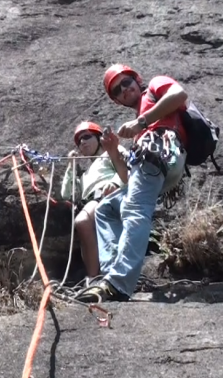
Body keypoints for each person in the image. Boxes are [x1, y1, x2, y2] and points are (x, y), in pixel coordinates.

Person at [76, 64, 188, 303]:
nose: (123, 89)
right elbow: (128, 179)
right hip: (153, 162)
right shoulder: (142, 125)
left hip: (161, 151)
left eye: (126, 82)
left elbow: (179, 95)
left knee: (134, 210)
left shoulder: (155, 88)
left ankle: (118, 283)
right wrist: (113, 150)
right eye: (117, 90)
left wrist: (141, 122)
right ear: (117, 100)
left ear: (137, 80)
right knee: (106, 209)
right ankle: (111, 273)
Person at [60, 121, 128, 280]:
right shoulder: (84, 174)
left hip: (108, 196)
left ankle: (93, 277)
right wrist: (71, 167)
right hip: (93, 201)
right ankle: (96, 277)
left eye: (86, 137)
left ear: (98, 138)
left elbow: (128, 166)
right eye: (79, 142)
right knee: (84, 224)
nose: (82, 142)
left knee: (82, 221)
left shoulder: (110, 153)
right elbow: (66, 193)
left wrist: (116, 182)